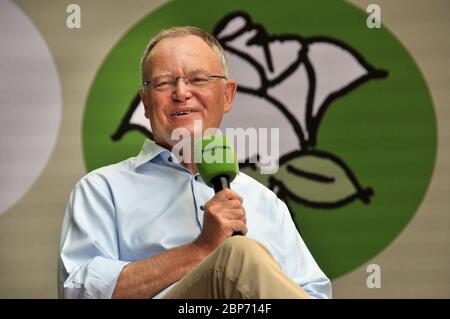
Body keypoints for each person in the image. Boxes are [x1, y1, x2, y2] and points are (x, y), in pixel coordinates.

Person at [58, 26, 332, 299]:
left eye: (198, 79)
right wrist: (201, 249)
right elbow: (77, 293)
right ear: (145, 102)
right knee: (240, 253)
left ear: (227, 95)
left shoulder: (266, 202)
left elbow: (315, 293)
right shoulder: (101, 190)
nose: (181, 92)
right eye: (164, 82)